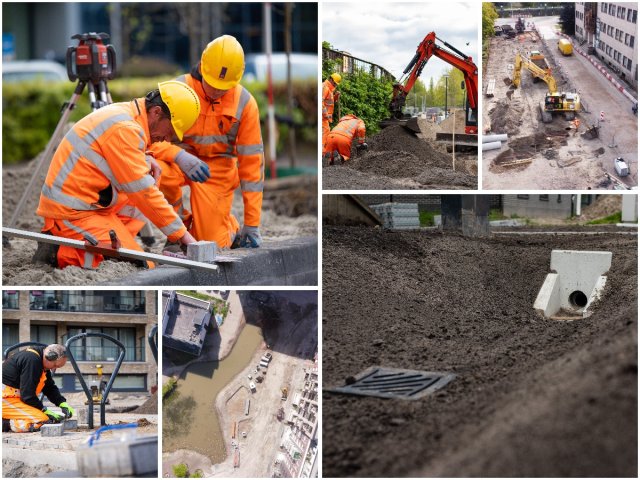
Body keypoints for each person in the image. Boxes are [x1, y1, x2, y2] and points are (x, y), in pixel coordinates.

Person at [36, 81, 201, 269]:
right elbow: (144, 193)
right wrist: (182, 236)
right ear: (156, 112)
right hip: (71, 213)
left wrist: (146, 157)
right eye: (171, 131)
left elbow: (118, 153)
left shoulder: (129, 114)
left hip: (90, 205)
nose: (168, 139)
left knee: (147, 174)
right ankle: (57, 250)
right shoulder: (125, 128)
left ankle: (118, 236)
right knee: (144, 264)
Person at [150, 35, 264, 249]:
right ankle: (177, 228)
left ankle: (230, 227)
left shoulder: (245, 103)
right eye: (213, 84)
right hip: (177, 159)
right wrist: (178, 155)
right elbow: (150, 138)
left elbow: (252, 165)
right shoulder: (178, 89)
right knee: (154, 171)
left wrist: (252, 223)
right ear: (202, 67)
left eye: (224, 87)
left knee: (212, 243)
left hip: (217, 170)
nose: (217, 90)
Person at [2, 344, 74, 433]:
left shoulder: (41, 363)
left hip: (14, 399)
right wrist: (44, 409)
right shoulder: (32, 360)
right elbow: (28, 395)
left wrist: (62, 403)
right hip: (5, 399)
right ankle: (5, 423)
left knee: (46, 417)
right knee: (42, 420)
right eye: (55, 365)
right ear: (49, 357)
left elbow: (49, 387)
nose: (54, 369)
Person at [322, 73, 341, 151]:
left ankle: (324, 152)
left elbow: (329, 102)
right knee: (324, 134)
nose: (335, 85)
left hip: (324, 118)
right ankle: (322, 154)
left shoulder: (329, 89)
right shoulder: (325, 88)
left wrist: (335, 96)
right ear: (331, 79)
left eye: (336, 84)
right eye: (334, 83)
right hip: (322, 118)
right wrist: (325, 114)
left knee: (326, 133)